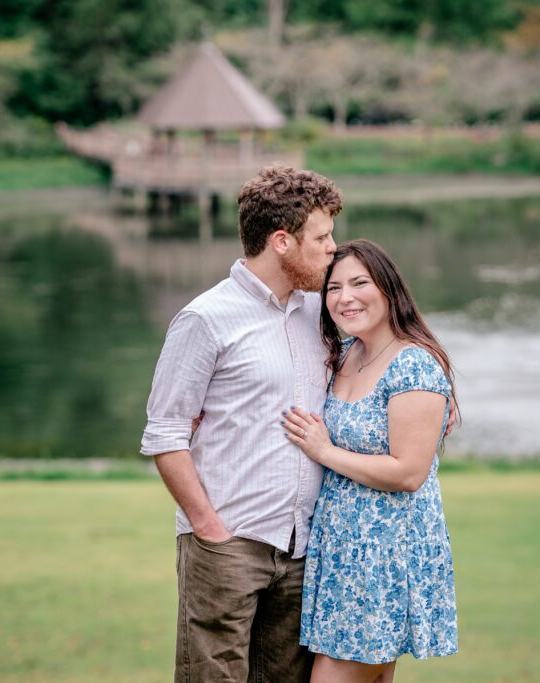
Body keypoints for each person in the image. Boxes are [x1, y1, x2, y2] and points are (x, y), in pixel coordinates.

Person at [140, 165, 343, 683]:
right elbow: (165, 433)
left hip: (303, 548)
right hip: (227, 545)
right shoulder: (206, 318)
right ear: (282, 241)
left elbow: (382, 356)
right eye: (321, 237)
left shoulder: (322, 312)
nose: (332, 248)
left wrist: (434, 391)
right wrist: (209, 528)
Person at [281, 239, 459, 683]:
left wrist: (325, 452)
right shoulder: (342, 355)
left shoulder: (413, 365)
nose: (345, 297)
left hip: (384, 555)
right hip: (341, 553)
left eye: (359, 282)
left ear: (388, 289)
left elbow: (409, 472)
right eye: (334, 287)